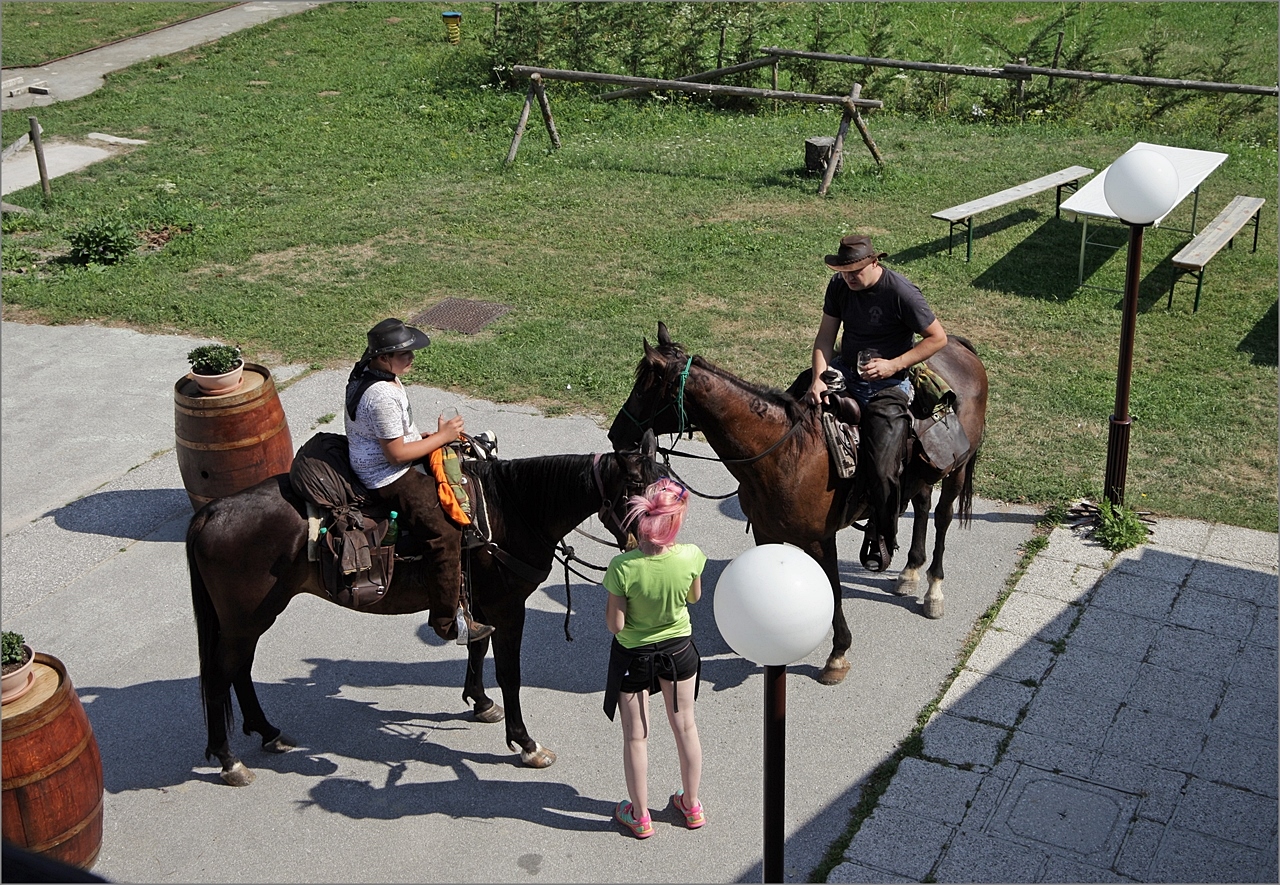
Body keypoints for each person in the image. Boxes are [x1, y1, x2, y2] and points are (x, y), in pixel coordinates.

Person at [792, 234, 948, 571]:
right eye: (843, 270)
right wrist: (820, 377)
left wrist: (894, 364)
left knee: (882, 466)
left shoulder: (901, 292)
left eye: (855, 271)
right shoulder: (839, 286)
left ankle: (883, 531)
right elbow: (824, 338)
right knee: (789, 414)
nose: (849, 277)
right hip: (845, 372)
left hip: (889, 385)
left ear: (874, 262)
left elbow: (938, 338)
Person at [344, 318, 494, 644]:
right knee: (445, 530)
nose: (411, 358)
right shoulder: (381, 394)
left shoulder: (373, 374)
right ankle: (447, 621)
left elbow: (396, 434)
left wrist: (426, 437)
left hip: (393, 456)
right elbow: (396, 455)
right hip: (387, 475)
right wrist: (441, 436)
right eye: (404, 354)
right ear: (383, 357)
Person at [602, 478, 707, 839]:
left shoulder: (622, 567)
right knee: (686, 727)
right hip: (679, 652)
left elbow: (615, 625)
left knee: (636, 737)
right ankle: (691, 805)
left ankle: (640, 815)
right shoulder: (692, 556)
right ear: (675, 523)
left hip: (634, 656)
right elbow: (693, 599)